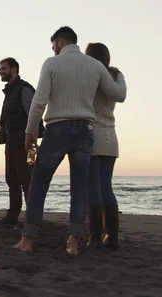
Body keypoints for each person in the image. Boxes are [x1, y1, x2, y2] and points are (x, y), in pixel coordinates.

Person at [13, 26, 127, 256]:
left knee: (39, 185)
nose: (53, 49)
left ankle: (27, 240)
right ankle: (73, 242)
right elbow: (117, 94)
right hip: (86, 131)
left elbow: (38, 102)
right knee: (80, 188)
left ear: (61, 42)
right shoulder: (95, 65)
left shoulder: (52, 63)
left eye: (54, 45)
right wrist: (116, 75)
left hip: (58, 129)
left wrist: (29, 131)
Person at [0, 57, 44, 229]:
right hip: (11, 143)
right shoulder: (10, 92)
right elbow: (12, 117)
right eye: (0, 69)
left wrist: (32, 144)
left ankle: (31, 218)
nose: (1, 72)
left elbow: (34, 116)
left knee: (27, 180)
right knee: (12, 179)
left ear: (14, 70)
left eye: (3, 69)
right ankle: (12, 217)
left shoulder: (24, 89)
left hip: (26, 144)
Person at [85, 42, 126, 251]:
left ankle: (94, 236)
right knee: (105, 185)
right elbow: (121, 95)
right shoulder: (116, 75)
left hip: (92, 135)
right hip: (111, 136)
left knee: (94, 185)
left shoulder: (89, 75)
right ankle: (111, 236)